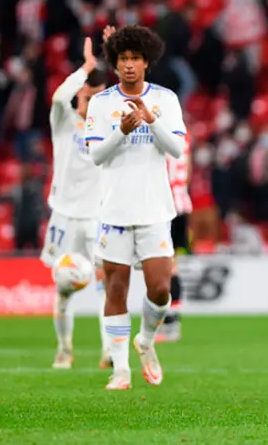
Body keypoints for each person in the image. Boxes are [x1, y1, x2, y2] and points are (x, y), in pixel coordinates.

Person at [85, 25, 187, 390]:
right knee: (116, 289)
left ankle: (145, 340)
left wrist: (150, 120)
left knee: (160, 289)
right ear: (115, 64)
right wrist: (121, 131)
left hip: (155, 209)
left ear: (147, 61)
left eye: (135, 58)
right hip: (114, 211)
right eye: (123, 59)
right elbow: (96, 154)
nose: (129, 65)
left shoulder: (166, 99)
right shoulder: (102, 103)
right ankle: (121, 370)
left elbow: (176, 149)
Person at [41, 35, 110, 370]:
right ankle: (64, 349)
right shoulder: (63, 123)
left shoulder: (109, 129)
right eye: (88, 96)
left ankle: (109, 350)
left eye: (98, 97)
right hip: (65, 217)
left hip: (97, 217)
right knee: (64, 286)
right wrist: (83, 70)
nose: (92, 102)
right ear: (80, 95)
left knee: (106, 286)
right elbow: (57, 98)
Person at [156, 134, 192, 343]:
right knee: (172, 266)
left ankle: (170, 323)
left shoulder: (162, 134)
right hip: (182, 202)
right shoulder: (185, 136)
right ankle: (171, 321)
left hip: (166, 206)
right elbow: (188, 169)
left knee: (165, 267)